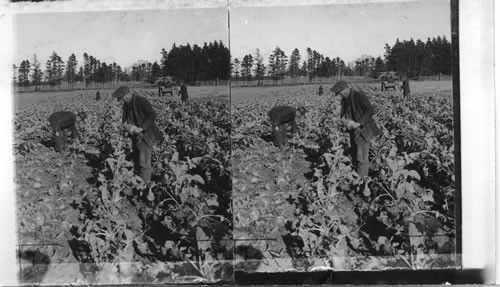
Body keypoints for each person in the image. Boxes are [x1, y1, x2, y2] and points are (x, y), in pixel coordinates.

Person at [112, 86, 163, 182]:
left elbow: (152, 115)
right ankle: (138, 180)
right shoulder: (126, 105)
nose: (121, 100)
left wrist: (141, 128)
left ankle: (144, 186)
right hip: (136, 137)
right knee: (137, 159)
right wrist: (125, 127)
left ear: (127, 94)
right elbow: (125, 120)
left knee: (144, 162)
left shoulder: (141, 101)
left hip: (146, 135)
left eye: (122, 98)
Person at [331, 81, 380, 177]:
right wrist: (342, 121)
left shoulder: (359, 96)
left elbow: (370, 110)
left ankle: (362, 181)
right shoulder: (345, 99)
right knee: (354, 153)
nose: (338, 95)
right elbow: (344, 114)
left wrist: (359, 123)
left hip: (363, 130)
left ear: (345, 89)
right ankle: (356, 175)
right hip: (354, 131)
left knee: (361, 158)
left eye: (339, 92)